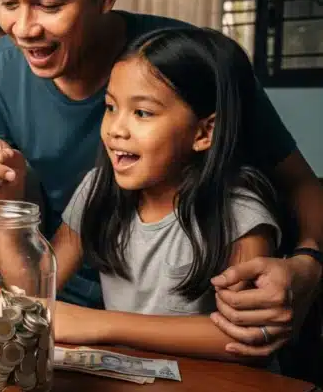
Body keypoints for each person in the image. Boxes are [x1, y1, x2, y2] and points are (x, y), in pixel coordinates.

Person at [0, 0, 323, 358]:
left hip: (138, 336)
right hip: (76, 324)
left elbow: (302, 184)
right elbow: (27, 275)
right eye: (8, 2)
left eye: (48, 4)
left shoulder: (193, 62)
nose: (24, 28)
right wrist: (2, 199)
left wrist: (310, 262)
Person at [51, 27, 281, 363]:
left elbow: (242, 336)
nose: (116, 128)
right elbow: (40, 282)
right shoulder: (97, 189)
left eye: (142, 112)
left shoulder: (239, 213)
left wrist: (101, 324)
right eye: (111, 107)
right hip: (134, 389)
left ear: (204, 132)